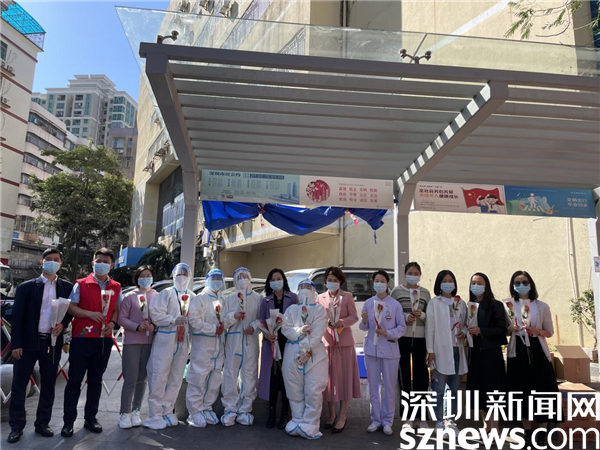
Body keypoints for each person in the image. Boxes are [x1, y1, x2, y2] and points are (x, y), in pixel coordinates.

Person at [7, 248, 73, 444]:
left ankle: (42, 423)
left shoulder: (67, 287)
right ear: (42, 262)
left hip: (51, 343)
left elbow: (70, 311)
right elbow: (17, 318)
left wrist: (64, 324)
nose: (52, 262)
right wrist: (16, 344)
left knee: (48, 385)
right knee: (19, 385)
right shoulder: (27, 287)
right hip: (27, 343)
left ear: (61, 264)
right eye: (49, 259)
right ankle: (16, 426)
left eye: (56, 259)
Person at [62, 248, 122, 438]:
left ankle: (90, 418)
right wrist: (89, 314)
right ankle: (68, 422)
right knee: (74, 381)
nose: (102, 264)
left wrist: (112, 323)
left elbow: (116, 309)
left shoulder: (116, 287)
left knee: (95, 381)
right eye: (99, 261)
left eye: (106, 262)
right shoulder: (81, 284)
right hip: (82, 339)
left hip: (103, 340)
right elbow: (71, 308)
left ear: (112, 265)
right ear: (93, 263)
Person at [505, 270, 558, 447]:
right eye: (517, 282)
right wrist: (510, 329)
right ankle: (527, 431)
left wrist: (537, 331)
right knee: (522, 390)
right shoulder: (509, 306)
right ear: (513, 285)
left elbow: (549, 331)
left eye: (525, 282)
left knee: (542, 389)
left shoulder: (541, 306)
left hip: (537, 350)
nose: (521, 285)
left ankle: (542, 431)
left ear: (531, 284)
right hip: (517, 350)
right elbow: (505, 330)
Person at [142, 263, 193, 430]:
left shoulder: (192, 296)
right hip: (166, 339)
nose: (182, 276)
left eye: (185, 273)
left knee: (176, 377)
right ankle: (154, 414)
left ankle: (168, 410)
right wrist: (172, 320)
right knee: (159, 375)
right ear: (173, 275)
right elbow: (156, 314)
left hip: (182, 341)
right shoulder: (166, 293)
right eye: (179, 273)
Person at [360, 270, 406, 436]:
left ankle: (387, 421)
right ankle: (376, 420)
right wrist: (364, 320)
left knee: (389, 387)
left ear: (387, 284)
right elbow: (363, 327)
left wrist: (388, 332)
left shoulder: (394, 305)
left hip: (390, 350)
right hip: (372, 351)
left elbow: (402, 327)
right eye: (376, 281)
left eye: (382, 281)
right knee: (373, 387)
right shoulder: (368, 303)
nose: (379, 284)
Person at [281, 279, 328, 439]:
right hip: (292, 352)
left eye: (308, 287)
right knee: (293, 388)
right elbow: (285, 328)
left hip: (314, 354)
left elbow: (318, 331)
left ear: (314, 291)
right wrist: (299, 331)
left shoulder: (319, 310)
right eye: (301, 287)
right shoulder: (291, 309)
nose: (304, 290)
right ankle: (297, 419)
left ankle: (311, 423)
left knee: (313, 389)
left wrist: (306, 349)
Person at [316, 266, 360, 433]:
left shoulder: (347, 296)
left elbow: (354, 316)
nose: (332, 282)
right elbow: (317, 317)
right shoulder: (320, 298)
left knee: (345, 378)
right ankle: (331, 414)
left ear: (340, 282)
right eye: (329, 280)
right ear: (325, 281)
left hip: (344, 343)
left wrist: (341, 322)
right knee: (329, 379)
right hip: (328, 343)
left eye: (335, 280)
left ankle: (342, 415)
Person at [390, 261, 431, 430]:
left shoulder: (425, 293)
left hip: (421, 338)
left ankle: (422, 417)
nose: (413, 276)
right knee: (404, 377)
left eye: (416, 273)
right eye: (410, 273)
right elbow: (392, 312)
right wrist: (405, 317)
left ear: (420, 275)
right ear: (405, 274)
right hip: (403, 337)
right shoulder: (397, 291)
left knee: (422, 377)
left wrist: (423, 315)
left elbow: (430, 316)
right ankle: (408, 417)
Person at [425, 270, 467, 433]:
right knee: (439, 388)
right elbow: (430, 328)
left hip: (457, 350)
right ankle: (439, 421)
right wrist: (430, 350)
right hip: (440, 351)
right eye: (444, 281)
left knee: (454, 389)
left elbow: (466, 323)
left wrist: (464, 332)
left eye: (450, 281)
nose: (448, 284)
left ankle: (450, 420)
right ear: (439, 284)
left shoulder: (460, 303)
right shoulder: (434, 303)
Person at [465, 273, 507, 433]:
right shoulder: (470, 305)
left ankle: (495, 429)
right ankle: (486, 426)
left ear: (486, 285)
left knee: (492, 392)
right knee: (479, 391)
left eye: (480, 283)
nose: (476, 286)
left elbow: (501, 329)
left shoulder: (496, 305)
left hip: (491, 354)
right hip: (475, 354)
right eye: (473, 283)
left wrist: (481, 330)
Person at [220, 267, 262, 426]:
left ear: (250, 278)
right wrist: (233, 316)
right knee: (230, 374)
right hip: (234, 340)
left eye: (245, 276)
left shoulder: (258, 298)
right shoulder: (229, 298)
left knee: (249, 375)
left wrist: (254, 327)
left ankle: (245, 409)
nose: (243, 279)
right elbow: (223, 321)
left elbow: (262, 319)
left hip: (250, 341)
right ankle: (230, 409)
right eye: (239, 277)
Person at [117, 265, 157, 429]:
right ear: (137, 278)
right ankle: (124, 413)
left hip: (150, 342)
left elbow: (160, 316)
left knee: (142, 379)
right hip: (132, 342)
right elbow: (121, 319)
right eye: (142, 276)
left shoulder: (157, 296)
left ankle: (136, 410)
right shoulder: (130, 296)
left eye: (148, 275)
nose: (145, 278)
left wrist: (154, 325)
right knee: (130, 378)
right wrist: (136, 326)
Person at [258, 269, 298, 429]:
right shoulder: (265, 300)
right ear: (269, 282)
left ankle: (285, 414)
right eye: (273, 279)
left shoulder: (293, 298)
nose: (276, 281)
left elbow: (297, 320)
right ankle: (271, 413)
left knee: (286, 378)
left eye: (279, 278)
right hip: (272, 344)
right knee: (273, 379)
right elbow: (261, 321)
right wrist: (267, 335)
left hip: (287, 343)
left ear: (284, 280)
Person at [186, 269, 226, 428]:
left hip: (218, 346)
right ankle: (194, 411)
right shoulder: (200, 299)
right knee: (198, 377)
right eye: (213, 277)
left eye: (219, 278)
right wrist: (212, 329)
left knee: (215, 379)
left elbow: (225, 320)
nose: (216, 280)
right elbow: (194, 321)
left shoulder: (222, 299)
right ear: (207, 279)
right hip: (203, 345)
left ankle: (207, 407)